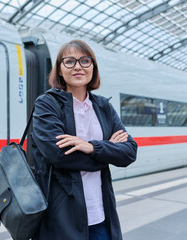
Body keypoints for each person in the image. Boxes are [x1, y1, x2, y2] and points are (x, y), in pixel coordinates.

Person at [31, 39, 137, 240]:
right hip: (61, 217)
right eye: (69, 61)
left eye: (85, 61)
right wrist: (108, 150)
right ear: (60, 70)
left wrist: (90, 147)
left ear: (93, 69)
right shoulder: (47, 104)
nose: (78, 67)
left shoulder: (104, 107)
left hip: (101, 214)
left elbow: (129, 152)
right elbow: (59, 155)